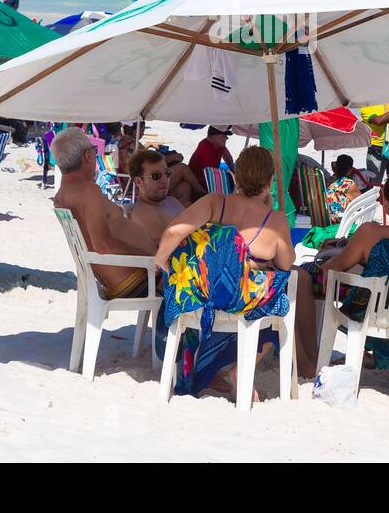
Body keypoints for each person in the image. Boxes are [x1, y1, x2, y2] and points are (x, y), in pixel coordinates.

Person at [154, 146, 295, 399]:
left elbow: (174, 232)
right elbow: (286, 264)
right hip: (241, 303)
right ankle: (241, 367)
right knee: (278, 294)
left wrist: (162, 262)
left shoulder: (215, 202)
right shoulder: (275, 219)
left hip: (201, 299)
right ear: (270, 181)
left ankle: (212, 368)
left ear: (235, 177)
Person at [292, 170, 389, 378]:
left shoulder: (369, 233)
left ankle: (310, 360)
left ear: (385, 202)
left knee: (303, 276)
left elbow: (335, 267)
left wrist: (329, 255)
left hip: (372, 314)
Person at [51, 128, 159, 297]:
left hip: (120, 278)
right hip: (135, 278)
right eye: (95, 152)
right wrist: (150, 258)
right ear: (87, 155)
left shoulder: (61, 195)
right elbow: (103, 245)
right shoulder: (88, 190)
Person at [128, 148, 185, 241]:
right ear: (139, 181)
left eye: (167, 173)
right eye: (156, 176)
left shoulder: (172, 201)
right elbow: (169, 247)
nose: (164, 180)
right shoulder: (142, 214)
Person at [360, 102, 389, 181]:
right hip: (377, 149)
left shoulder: (388, 102)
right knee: (375, 182)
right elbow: (378, 121)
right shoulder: (365, 107)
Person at [324, 154, 361, 222]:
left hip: (326, 217)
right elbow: (361, 204)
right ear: (350, 169)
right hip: (341, 220)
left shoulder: (327, 181)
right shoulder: (347, 183)